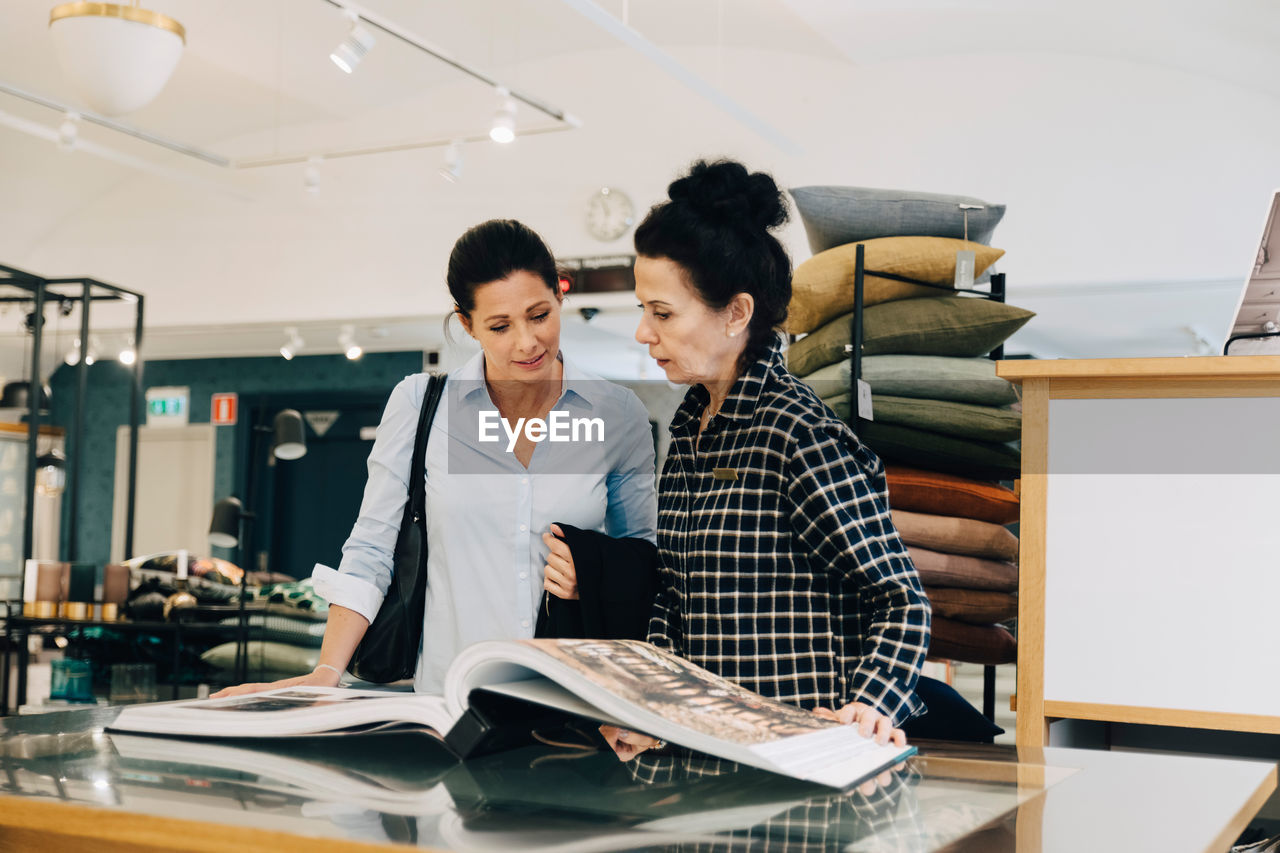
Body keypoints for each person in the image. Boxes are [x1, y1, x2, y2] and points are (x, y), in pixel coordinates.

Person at [214, 219, 657, 698]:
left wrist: (593, 574)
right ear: (467, 324)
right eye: (500, 326)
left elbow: (645, 555)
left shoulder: (615, 413)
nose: (527, 342)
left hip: (577, 695)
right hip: (453, 696)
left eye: (539, 315)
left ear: (560, 297)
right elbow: (372, 548)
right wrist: (327, 671)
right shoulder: (422, 407)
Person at [608, 159, 930, 754]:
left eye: (663, 313)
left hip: (796, 763)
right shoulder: (688, 433)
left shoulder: (797, 434)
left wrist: (870, 705)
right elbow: (673, 599)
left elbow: (900, 600)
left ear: (736, 313)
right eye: (642, 311)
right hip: (701, 759)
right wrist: (648, 706)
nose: (643, 334)